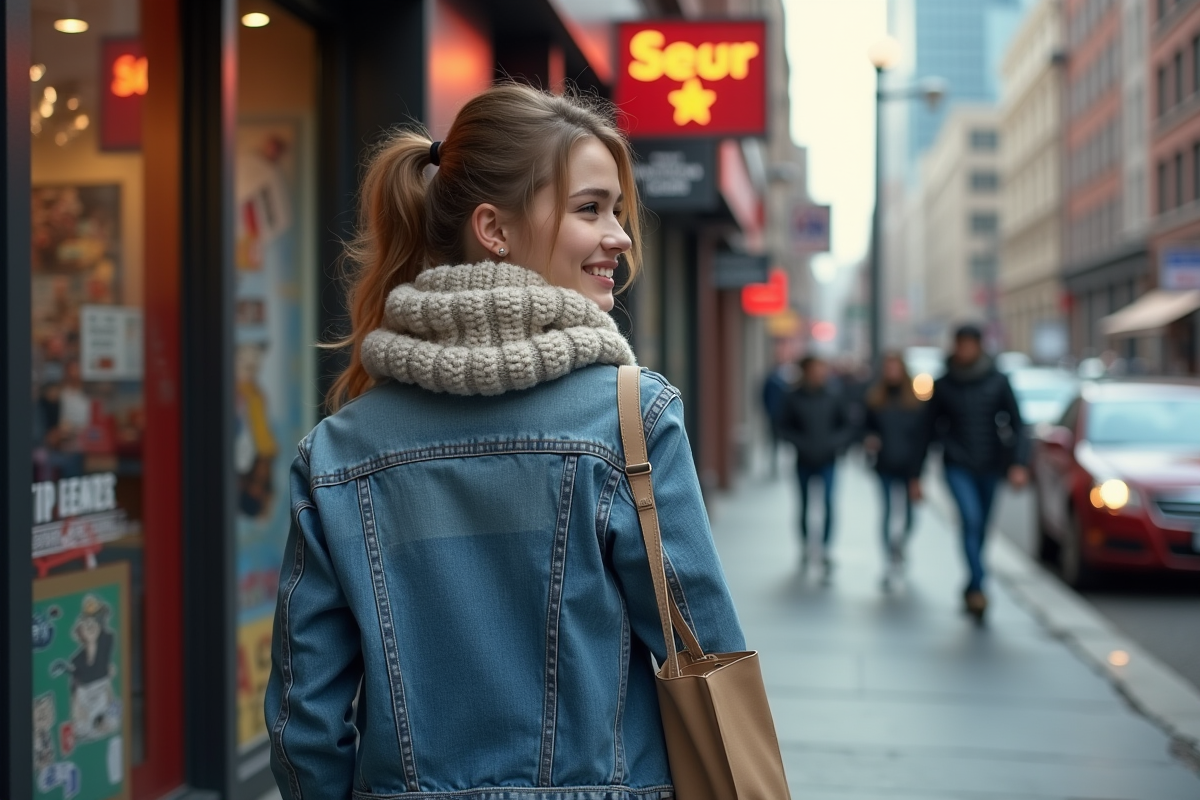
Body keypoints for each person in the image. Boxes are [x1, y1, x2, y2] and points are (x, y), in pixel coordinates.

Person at [264, 84, 745, 800]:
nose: (619, 236)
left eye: (616, 210)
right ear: (493, 228)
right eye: (590, 209)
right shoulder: (631, 418)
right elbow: (704, 649)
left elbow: (305, 715)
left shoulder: (338, 451)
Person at [926, 324, 1029, 621]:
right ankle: (979, 587)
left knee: (982, 526)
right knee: (970, 520)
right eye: (961, 344)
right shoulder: (944, 384)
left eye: (970, 344)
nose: (965, 350)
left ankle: (972, 583)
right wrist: (914, 474)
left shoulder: (997, 380)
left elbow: (1018, 424)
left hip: (990, 464)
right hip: (957, 464)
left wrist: (1018, 463)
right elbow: (927, 429)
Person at [775, 355, 851, 575]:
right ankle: (805, 546)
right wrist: (801, 443)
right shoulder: (793, 397)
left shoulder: (834, 395)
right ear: (806, 371)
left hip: (828, 460)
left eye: (821, 369)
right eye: (815, 369)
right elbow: (783, 426)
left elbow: (846, 426)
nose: (819, 373)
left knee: (828, 504)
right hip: (803, 460)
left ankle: (825, 548)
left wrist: (833, 444)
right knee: (804, 505)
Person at [863, 352, 928, 590]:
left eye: (895, 367)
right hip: (885, 464)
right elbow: (865, 427)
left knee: (910, 515)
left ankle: (900, 545)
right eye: (888, 368)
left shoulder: (915, 401)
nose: (891, 372)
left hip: (909, 466)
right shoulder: (875, 398)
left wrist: (918, 472)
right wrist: (869, 439)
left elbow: (923, 437)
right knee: (888, 512)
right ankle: (889, 558)